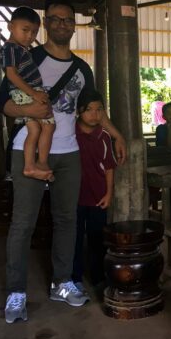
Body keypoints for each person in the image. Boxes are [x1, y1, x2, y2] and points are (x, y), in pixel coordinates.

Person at [0, 0, 126, 324]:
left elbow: (95, 109)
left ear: (73, 25)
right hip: (26, 147)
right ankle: (16, 292)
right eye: (55, 19)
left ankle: (62, 282)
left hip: (69, 153)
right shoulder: (29, 57)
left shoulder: (82, 69)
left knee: (67, 220)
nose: (62, 24)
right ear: (47, 23)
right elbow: (4, 104)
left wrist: (116, 134)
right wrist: (32, 110)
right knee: (23, 223)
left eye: (67, 20)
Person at [0, 7, 55, 181]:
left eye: (34, 32)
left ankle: (31, 166)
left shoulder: (20, 48)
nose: (30, 36)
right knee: (48, 125)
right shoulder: (10, 48)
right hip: (26, 92)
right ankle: (41, 163)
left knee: (35, 129)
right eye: (25, 30)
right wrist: (34, 94)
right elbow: (11, 74)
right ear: (10, 27)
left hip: (27, 92)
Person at [72, 89, 116, 292]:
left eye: (99, 110)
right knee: (74, 238)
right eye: (89, 110)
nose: (94, 114)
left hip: (98, 197)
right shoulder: (70, 133)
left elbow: (108, 167)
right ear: (80, 111)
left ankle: (98, 277)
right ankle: (75, 278)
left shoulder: (104, 136)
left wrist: (108, 193)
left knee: (97, 239)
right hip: (74, 196)